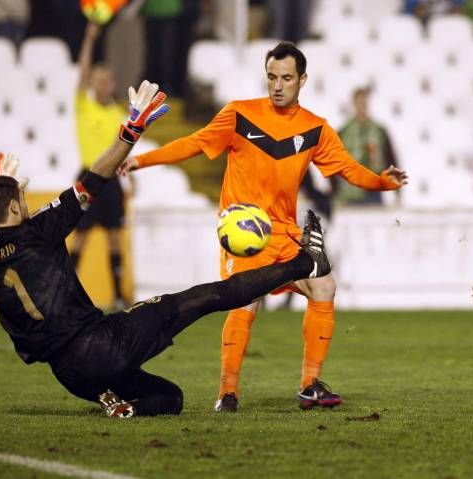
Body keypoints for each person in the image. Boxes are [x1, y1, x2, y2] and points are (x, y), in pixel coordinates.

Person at [0, 80, 332, 418]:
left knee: (170, 398)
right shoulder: (39, 231)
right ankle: (303, 263)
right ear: (15, 209)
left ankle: (117, 405)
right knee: (207, 296)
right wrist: (131, 132)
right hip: (102, 344)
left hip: (71, 376)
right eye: (21, 197)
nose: (28, 201)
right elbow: (96, 176)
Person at [118, 41, 408, 412]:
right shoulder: (240, 115)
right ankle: (227, 392)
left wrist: (382, 181)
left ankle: (309, 385)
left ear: (302, 80)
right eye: (271, 77)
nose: (277, 85)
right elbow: (196, 142)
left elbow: (348, 169)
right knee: (246, 303)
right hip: (246, 237)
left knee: (324, 285)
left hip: (285, 234)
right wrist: (141, 160)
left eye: (286, 78)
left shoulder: (315, 129)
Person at [69, 21, 128, 309]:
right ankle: (65, 293)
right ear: (93, 82)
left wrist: (131, 171)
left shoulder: (119, 113)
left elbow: (122, 148)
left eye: (108, 80)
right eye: (99, 79)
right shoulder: (84, 104)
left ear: (113, 84)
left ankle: (117, 294)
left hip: (112, 180)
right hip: (89, 176)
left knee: (114, 237)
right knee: (80, 236)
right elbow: (81, 70)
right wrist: (89, 38)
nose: (104, 84)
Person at [334, 87, 399, 205]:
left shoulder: (379, 131)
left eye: (364, 102)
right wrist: (335, 194)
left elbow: (391, 159)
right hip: (350, 192)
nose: (361, 106)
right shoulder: (343, 132)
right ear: (353, 104)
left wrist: (397, 191)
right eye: (359, 102)